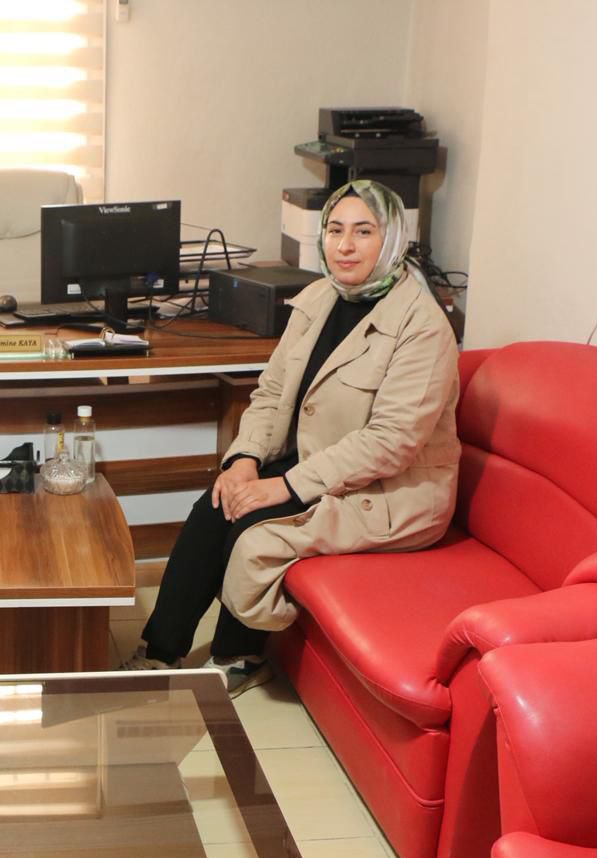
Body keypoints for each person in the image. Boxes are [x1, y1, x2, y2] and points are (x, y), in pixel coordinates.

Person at [122, 180, 461, 692]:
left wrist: (281, 486)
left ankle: (238, 655)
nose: (345, 246)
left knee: (251, 524)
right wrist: (244, 460)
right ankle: (158, 653)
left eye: (363, 232)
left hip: (392, 492)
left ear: (393, 239)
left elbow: (391, 442)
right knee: (215, 505)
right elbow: (272, 390)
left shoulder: (423, 327)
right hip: (320, 463)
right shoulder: (320, 298)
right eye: (335, 230)